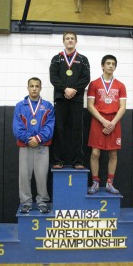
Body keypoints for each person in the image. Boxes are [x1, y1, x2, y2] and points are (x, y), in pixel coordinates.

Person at [13, 77, 55, 213]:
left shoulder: (48, 106)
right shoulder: (20, 106)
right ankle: (25, 202)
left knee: (42, 175)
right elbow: (17, 127)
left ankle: (42, 201)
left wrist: (38, 138)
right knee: (24, 175)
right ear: (28, 88)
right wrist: (28, 139)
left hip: (42, 145)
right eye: (32, 86)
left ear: (41, 88)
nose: (34, 88)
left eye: (37, 86)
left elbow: (50, 126)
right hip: (25, 146)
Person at [49, 31, 90, 169]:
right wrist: (64, 89)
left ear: (76, 41)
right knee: (59, 129)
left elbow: (86, 78)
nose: (70, 40)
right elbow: (53, 78)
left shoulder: (83, 59)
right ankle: (58, 160)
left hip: (77, 100)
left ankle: (77, 161)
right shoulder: (56, 58)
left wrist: (73, 90)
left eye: (72, 38)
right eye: (67, 38)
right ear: (63, 41)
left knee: (77, 130)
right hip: (61, 98)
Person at [87, 55, 127, 194]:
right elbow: (90, 106)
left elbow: (123, 107)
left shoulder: (120, 85)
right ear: (102, 66)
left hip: (114, 121)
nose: (111, 66)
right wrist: (104, 121)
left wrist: (112, 123)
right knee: (95, 153)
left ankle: (110, 183)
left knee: (113, 153)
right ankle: (95, 182)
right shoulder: (94, 84)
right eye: (108, 63)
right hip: (98, 120)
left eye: (113, 64)